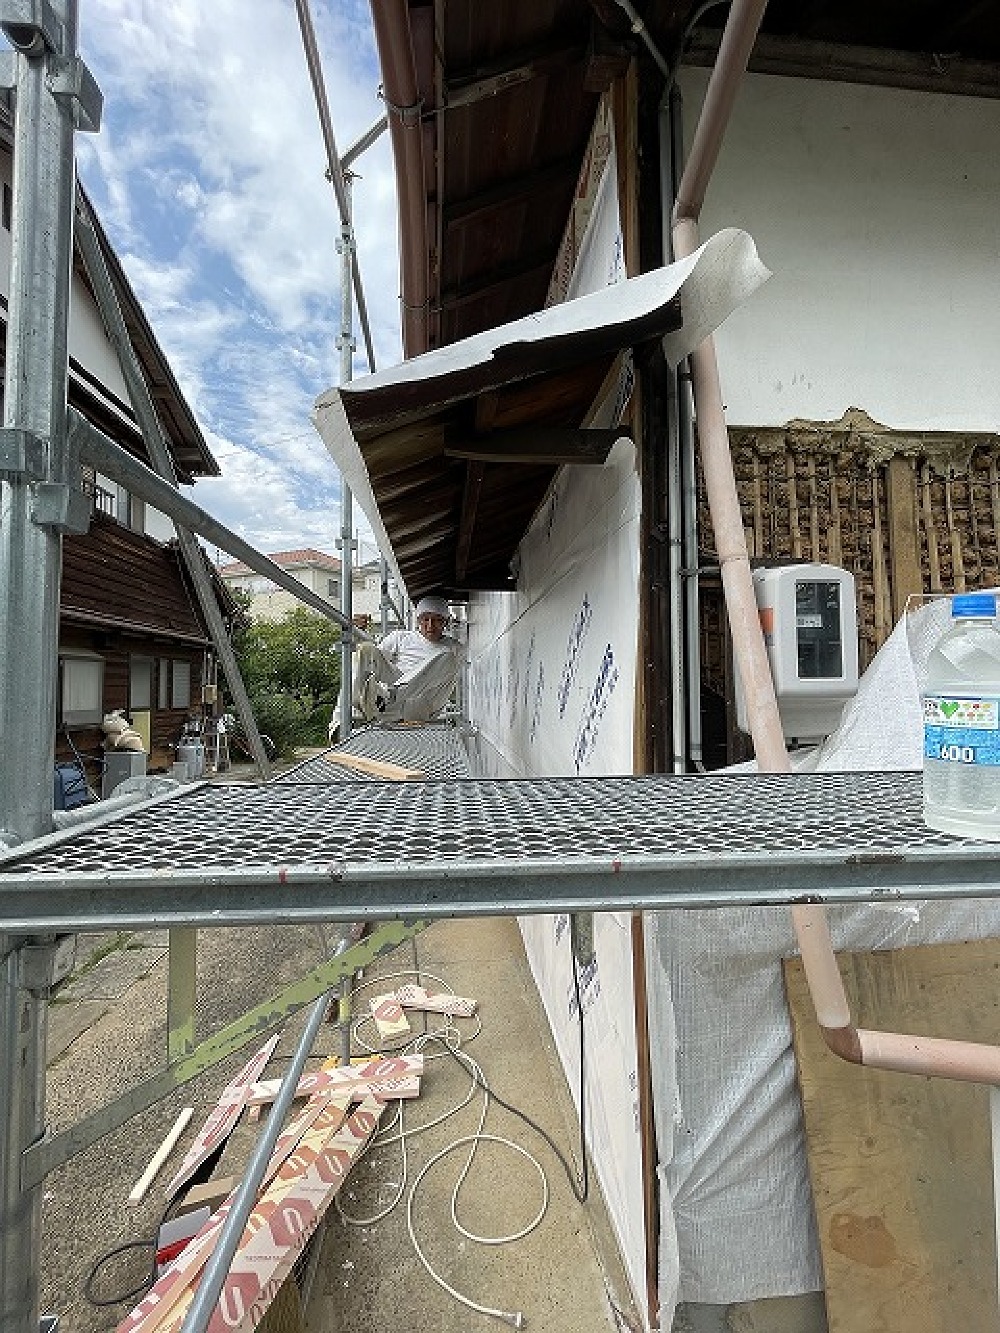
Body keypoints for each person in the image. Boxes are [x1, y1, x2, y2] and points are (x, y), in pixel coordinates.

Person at [330, 595, 461, 739]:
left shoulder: (454, 648)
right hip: (388, 700)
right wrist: (358, 635)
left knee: (448, 658)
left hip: (419, 704)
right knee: (366, 649)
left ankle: (386, 697)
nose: (430, 625)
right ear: (418, 620)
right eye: (425, 619)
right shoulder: (401, 637)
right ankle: (344, 721)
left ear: (446, 622)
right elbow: (372, 662)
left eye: (437, 619)